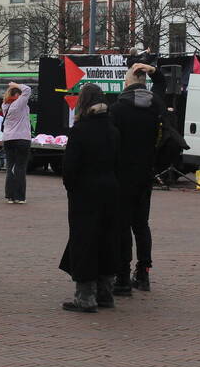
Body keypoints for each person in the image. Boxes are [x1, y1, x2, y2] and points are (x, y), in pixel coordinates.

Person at [59, 83, 120, 313]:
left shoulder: (80, 130)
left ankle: (85, 296)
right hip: (110, 190)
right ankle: (106, 292)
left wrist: (71, 186)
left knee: (84, 241)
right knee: (107, 240)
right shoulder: (113, 130)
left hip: (85, 193)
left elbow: (70, 168)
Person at [110, 61, 165, 295]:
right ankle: (143, 273)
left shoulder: (118, 108)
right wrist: (151, 69)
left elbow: (111, 143)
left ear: (127, 82)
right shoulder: (156, 105)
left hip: (122, 175)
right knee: (141, 225)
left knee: (121, 226)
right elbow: (162, 84)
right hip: (145, 173)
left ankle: (122, 277)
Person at [2, 82, 32, 204]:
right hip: (22, 138)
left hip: (8, 139)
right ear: (17, 95)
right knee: (20, 167)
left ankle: (9, 195)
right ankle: (19, 196)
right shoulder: (19, 103)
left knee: (10, 167)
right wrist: (15, 84)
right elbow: (28, 89)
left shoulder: (5, 105)